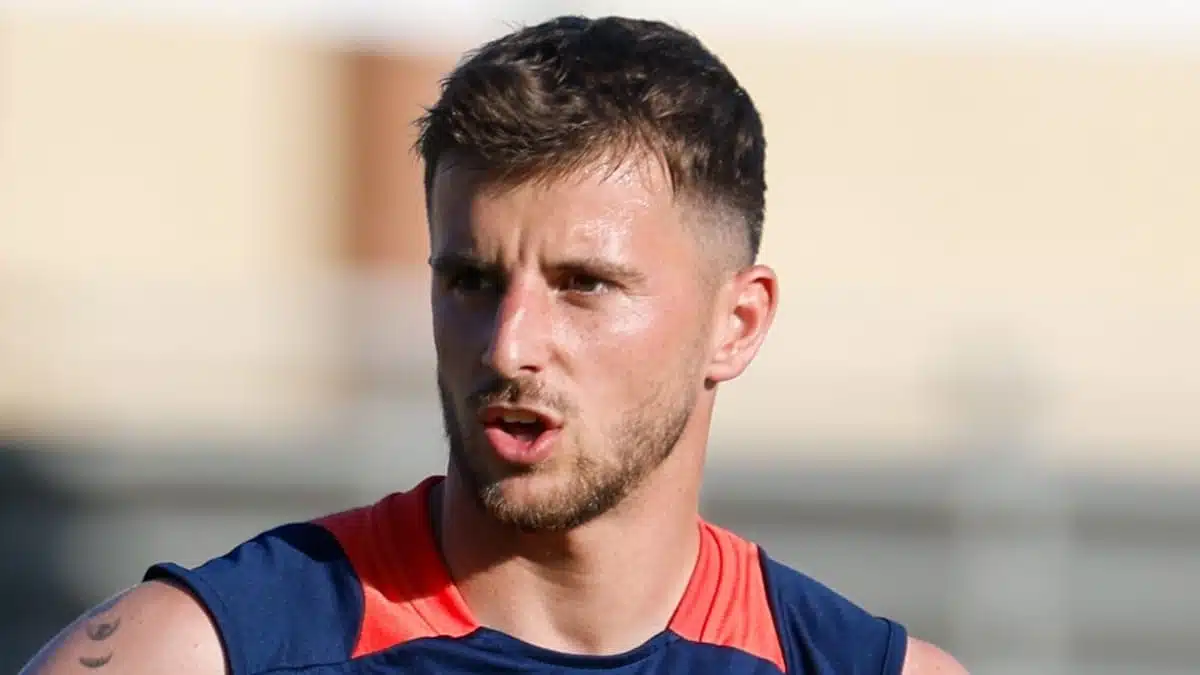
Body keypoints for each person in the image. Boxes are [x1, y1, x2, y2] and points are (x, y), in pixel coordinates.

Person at [21, 15, 967, 675]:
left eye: (584, 284)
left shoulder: (852, 664)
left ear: (739, 323)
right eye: (471, 280)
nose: (510, 345)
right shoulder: (203, 651)